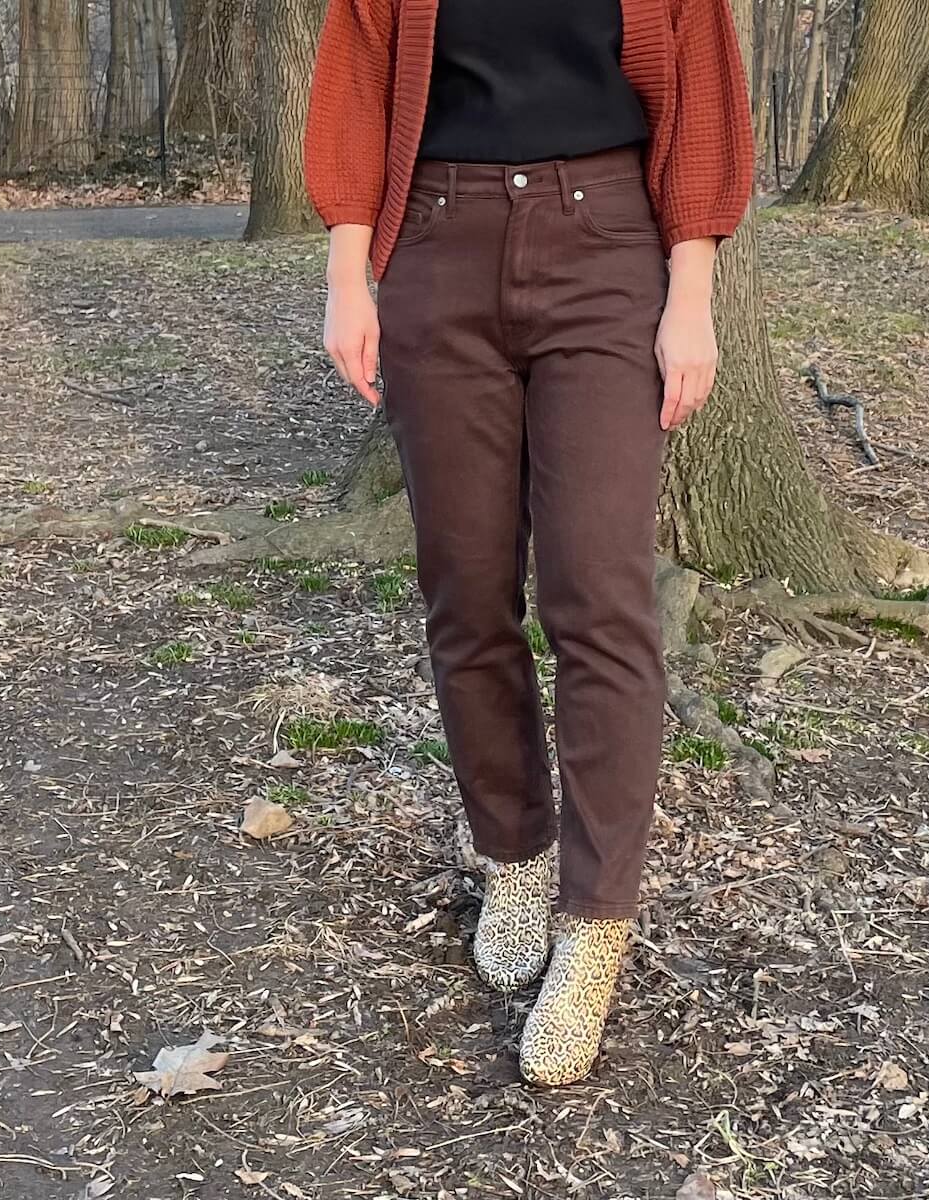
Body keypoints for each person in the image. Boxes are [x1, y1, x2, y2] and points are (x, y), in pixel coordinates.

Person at [303, 0, 753, 1085]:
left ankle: (595, 922)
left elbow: (701, 104)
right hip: (438, 249)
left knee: (599, 598)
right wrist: (347, 278)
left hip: (608, 250)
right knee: (465, 593)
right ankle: (514, 857)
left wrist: (692, 293)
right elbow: (357, 91)